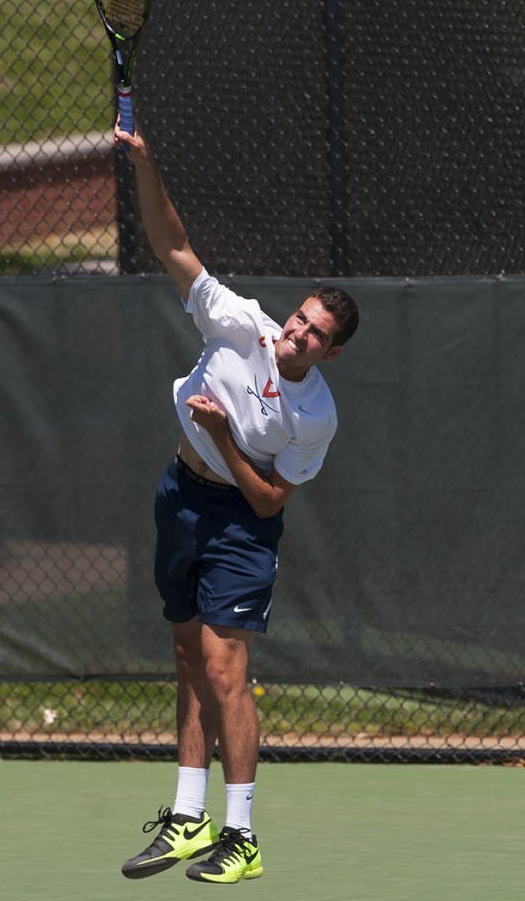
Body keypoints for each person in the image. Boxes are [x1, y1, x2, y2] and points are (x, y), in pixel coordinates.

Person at [113, 121, 359, 885]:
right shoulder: (238, 322)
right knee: (187, 658)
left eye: (315, 336)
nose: (298, 334)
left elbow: (267, 503)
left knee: (225, 671)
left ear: (330, 354)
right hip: (178, 497)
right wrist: (147, 164)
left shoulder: (312, 416)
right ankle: (188, 820)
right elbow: (173, 245)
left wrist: (222, 437)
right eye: (300, 318)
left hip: (237, 526)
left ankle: (242, 836)